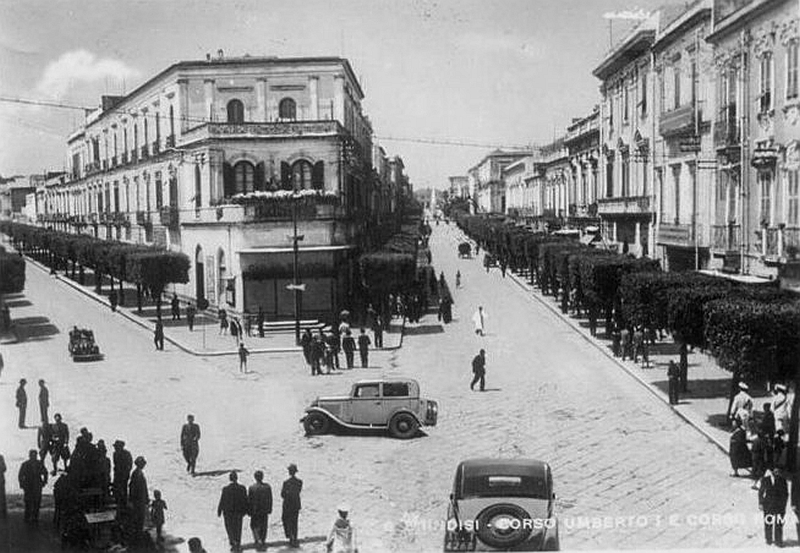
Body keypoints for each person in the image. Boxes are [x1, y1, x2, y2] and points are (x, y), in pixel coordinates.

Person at [218, 471, 249, 552]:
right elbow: (245, 500)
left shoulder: (226, 489)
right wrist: (246, 510)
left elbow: (222, 500)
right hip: (238, 512)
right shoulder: (242, 488)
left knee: (229, 527)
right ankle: (237, 542)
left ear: (230, 478)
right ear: (237, 478)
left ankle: (232, 541)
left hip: (228, 512)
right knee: (238, 528)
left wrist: (219, 510)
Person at [759, 468, 789, 547]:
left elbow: (786, 494)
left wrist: (784, 504)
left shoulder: (783, 480)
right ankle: (768, 539)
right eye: (775, 471)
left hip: (779, 505)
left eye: (778, 471)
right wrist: (761, 503)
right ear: (772, 472)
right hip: (768, 504)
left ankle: (778, 541)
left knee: (779, 523)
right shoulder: (765, 480)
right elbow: (761, 492)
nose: (777, 473)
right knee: (768, 522)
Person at [18, 449, 47, 523]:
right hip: (28, 485)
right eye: (32, 455)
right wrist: (22, 484)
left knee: (37, 502)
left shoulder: (39, 463)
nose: (34, 456)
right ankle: (27, 517)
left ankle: (35, 517)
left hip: (37, 485)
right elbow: (20, 475)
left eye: (35, 455)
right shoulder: (25, 464)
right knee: (28, 502)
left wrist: (44, 482)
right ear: (30, 455)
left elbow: (45, 473)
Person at [248, 470, 273, 551]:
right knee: (264, 526)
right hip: (264, 510)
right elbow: (270, 499)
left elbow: (250, 500)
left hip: (255, 511)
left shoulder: (252, 488)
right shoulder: (267, 487)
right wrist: (269, 509)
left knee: (254, 525)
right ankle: (262, 540)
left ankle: (257, 539)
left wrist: (249, 511)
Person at [281, 463, 303, 548]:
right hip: (296, 504)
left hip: (287, 504)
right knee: (295, 522)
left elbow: (282, 494)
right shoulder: (299, 482)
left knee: (287, 520)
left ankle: (290, 537)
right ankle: (295, 537)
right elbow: (298, 492)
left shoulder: (286, 482)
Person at [129, 456, 149, 540]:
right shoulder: (137, 473)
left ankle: (138, 532)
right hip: (139, 500)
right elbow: (133, 487)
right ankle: (138, 534)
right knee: (139, 517)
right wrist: (133, 499)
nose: (144, 465)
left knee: (140, 517)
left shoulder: (138, 472)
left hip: (140, 499)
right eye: (143, 463)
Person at [112, 440, 133, 507]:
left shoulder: (126, 454)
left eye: (116, 446)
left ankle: (123, 502)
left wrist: (126, 473)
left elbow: (129, 465)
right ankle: (119, 501)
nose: (115, 448)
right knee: (117, 488)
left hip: (124, 474)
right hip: (118, 474)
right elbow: (116, 464)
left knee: (123, 487)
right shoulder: (115, 454)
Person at [0, 453, 6, 519]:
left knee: (2, 497)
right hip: (1, 480)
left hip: (0, 480)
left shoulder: (1, 457)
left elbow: (4, 468)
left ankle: (3, 512)